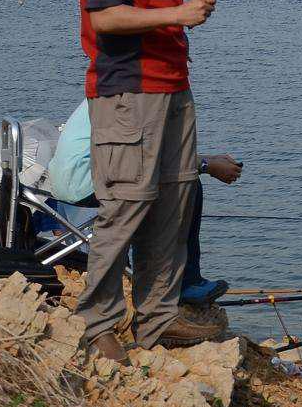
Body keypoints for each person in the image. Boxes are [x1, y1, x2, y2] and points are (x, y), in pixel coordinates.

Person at [73, 0, 295, 364]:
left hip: (174, 85)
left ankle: (157, 317)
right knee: (125, 206)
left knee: (174, 202)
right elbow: (102, 17)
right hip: (128, 91)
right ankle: (99, 325)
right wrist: (177, 13)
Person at [47, 94, 243, 307]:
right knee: (186, 185)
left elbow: (148, 156)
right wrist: (206, 165)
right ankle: (184, 282)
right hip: (86, 179)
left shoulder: (122, 85)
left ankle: (164, 279)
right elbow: (148, 158)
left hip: (78, 177)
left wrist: (207, 161)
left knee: (174, 180)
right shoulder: (137, 96)